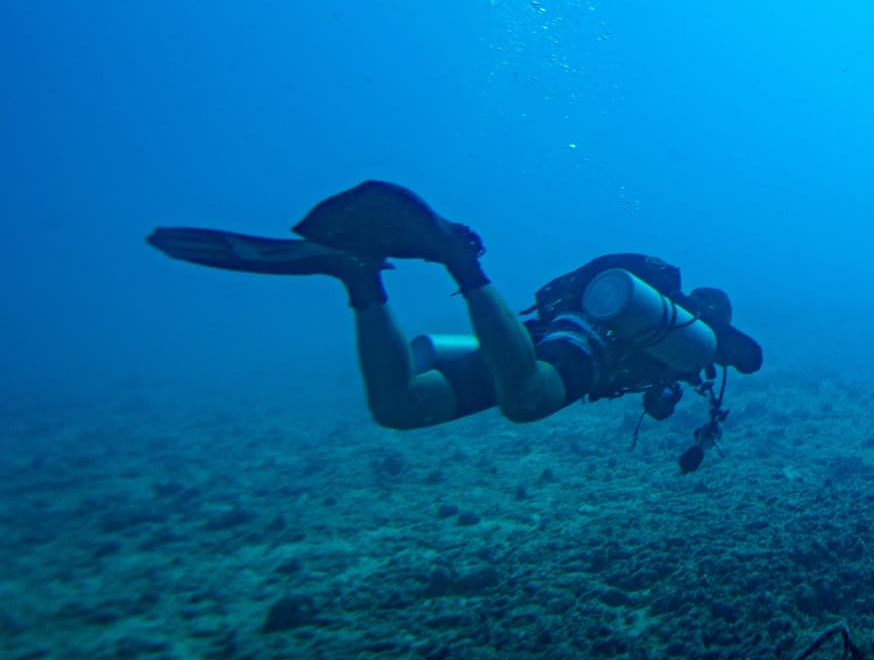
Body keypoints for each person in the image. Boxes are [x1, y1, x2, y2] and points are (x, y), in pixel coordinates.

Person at [146, 181, 762, 473]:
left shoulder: (665, 326)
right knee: (526, 399)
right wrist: (718, 343)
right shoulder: (695, 332)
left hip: (546, 336)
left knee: (401, 406)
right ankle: (460, 261)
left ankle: (358, 277)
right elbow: (748, 355)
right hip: (581, 348)